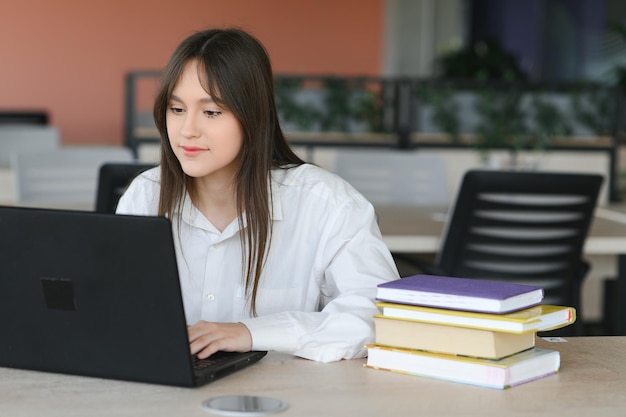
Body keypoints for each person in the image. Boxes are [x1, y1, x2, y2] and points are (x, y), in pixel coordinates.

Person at [116, 28, 400, 363]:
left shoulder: (327, 205)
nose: (188, 130)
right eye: (177, 109)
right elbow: (110, 306)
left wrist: (253, 332)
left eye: (211, 112)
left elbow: (379, 314)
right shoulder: (145, 197)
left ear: (253, 116)